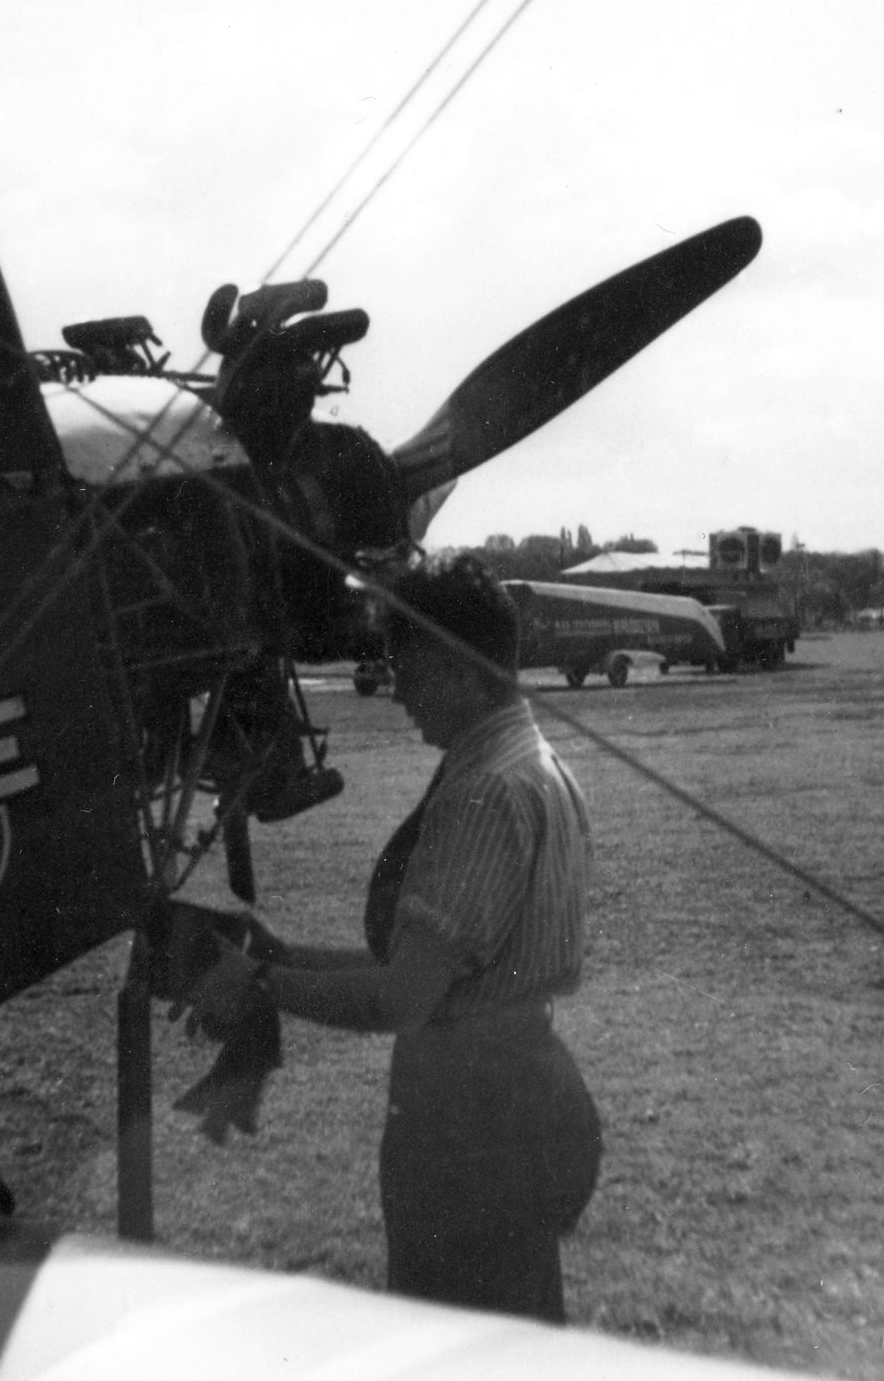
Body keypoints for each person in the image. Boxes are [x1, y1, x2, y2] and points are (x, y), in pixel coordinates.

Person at [187, 554, 601, 1322]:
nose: (396, 686)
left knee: (460, 1344)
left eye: (403, 661)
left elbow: (402, 1000)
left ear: (454, 665)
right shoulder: (524, 761)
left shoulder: (484, 791)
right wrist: (281, 954)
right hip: (512, 1093)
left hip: (471, 1123)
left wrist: (260, 984)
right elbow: (430, 973)